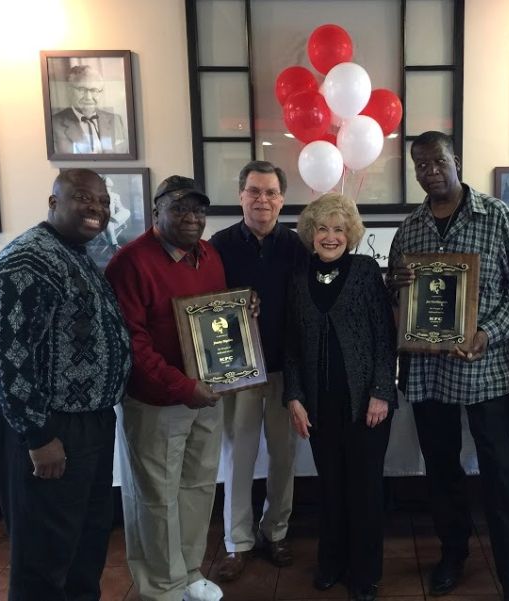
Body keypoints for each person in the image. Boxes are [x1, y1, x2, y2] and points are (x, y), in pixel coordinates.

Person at [388, 131, 509, 601]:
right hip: (428, 372)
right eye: (421, 164)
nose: (430, 171)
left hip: (484, 368)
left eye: (438, 161)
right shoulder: (410, 229)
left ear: (456, 160)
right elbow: (397, 298)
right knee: (441, 469)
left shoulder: (496, 216)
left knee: (500, 472)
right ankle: (453, 552)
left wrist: (488, 332)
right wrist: (395, 283)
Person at [0, 169, 132, 600]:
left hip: (88, 422)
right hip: (50, 427)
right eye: (84, 197)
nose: (96, 208)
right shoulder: (27, 260)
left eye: (103, 201)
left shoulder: (73, 253)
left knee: (85, 540)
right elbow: (6, 355)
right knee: (45, 551)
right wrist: (38, 435)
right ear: (54, 202)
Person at [105, 175, 228, 601]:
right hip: (157, 402)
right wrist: (182, 387)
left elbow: (215, 318)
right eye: (179, 208)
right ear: (156, 211)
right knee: (155, 498)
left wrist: (243, 311)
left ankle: (189, 572)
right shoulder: (130, 263)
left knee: (198, 487)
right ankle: (161, 588)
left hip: (207, 396)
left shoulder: (209, 256)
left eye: (198, 209)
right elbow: (132, 344)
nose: (191, 217)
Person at [284, 193, 396, 601]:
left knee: (365, 489)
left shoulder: (365, 271)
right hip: (319, 404)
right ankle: (331, 563)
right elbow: (291, 346)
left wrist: (381, 392)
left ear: (350, 234)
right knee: (330, 487)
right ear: (310, 233)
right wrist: (294, 397)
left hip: (366, 403)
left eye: (338, 229)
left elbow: (384, 336)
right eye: (322, 228)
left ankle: (365, 573)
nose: (330, 236)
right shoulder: (298, 278)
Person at [209, 161, 307, 581]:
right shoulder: (218, 245)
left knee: (284, 456)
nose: (262, 199)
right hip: (239, 372)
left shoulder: (298, 245)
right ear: (241, 195)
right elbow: (205, 306)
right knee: (238, 456)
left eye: (270, 192)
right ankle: (238, 542)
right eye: (254, 191)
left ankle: (276, 531)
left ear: (282, 200)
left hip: (287, 369)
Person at [51, 65, 128, 154]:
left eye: (94, 90)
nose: (88, 97)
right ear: (69, 91)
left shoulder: (116, 120)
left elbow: (123, 152)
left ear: (101, 93)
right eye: (81, 90)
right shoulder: (54, 124)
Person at [104, 176, 131, 247]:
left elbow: (120, 210)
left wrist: (122, 221)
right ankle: (114, 245)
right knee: (108, 223)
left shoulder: (115, 196)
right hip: (101, 224)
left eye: (108, 188)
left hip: (112, 221)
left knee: (126, 211)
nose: (107, 189)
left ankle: (111, 220)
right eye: (105, 187)